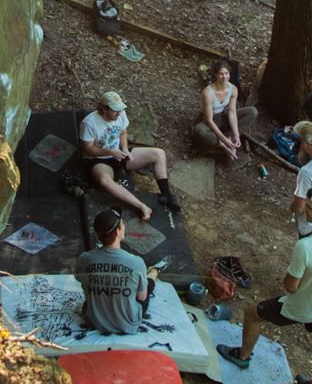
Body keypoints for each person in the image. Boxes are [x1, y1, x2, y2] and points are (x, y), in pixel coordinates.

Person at [217, 185, 312, 384]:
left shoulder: (306, 246)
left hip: (304, 306)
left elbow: (290, 286)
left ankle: (242, 357)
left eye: (310, 208)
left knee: (253, 312)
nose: (304, 211)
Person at [80, 90, 181, 220]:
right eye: (115, 110)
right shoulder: (89, 123)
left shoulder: (120, 114)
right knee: (104, 181)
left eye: (120, 109)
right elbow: (88, 149)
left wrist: (126, 149)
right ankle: (141, 206)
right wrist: (111, 152)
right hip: (99, 160)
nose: (119, 113)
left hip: (119, 153)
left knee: (158, 153)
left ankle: (166, 195)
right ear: (104, 109)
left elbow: (123, 133)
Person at [76, 206, 162, 334]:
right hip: (127, 323)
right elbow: (142, 297)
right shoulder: (136, 262)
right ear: (117, 232)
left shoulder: (85, 258)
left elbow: (80, 279)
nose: (125, 227)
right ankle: (154, 272)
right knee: (145, 290)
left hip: (94, 321)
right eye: (122, 224)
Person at [193, 59, 257, 160]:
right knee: (199, 130)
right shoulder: (207, 93)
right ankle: (223, 146)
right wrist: (223, 140)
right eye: (221, 74)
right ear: (215, 75)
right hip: (208, 121)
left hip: (223, 117)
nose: (224, 77)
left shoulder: (233, 89)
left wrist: (236, 134)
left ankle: (231, 139)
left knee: (252, 112)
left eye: (226, 73)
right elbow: (209, 120)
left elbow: (232, 112)